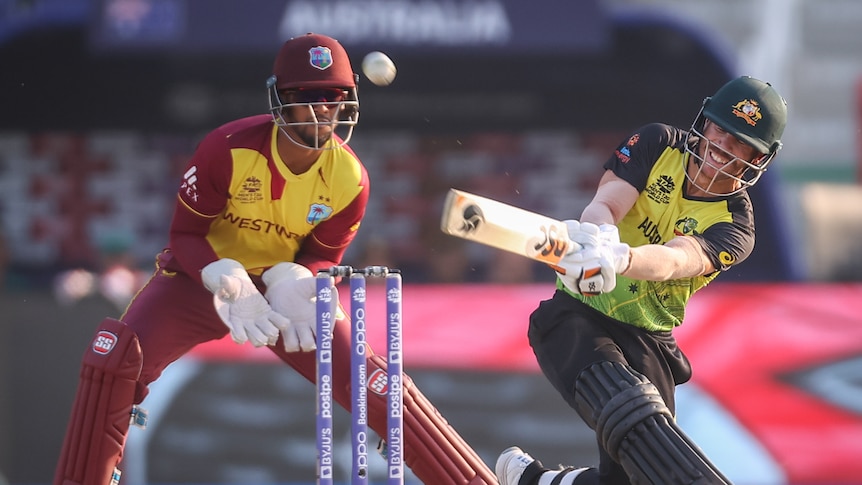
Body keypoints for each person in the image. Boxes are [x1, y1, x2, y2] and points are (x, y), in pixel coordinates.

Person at [54, 33, 496, 485]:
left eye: (336, 97)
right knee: (114, 360)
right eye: (309, 97)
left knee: (376, 386)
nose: (325, 109)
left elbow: (325, 256)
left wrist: (302, 278)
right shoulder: (227, 149)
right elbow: (185, 234)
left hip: (284, 297)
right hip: (201, 281)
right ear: (280, 100)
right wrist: (218, 274)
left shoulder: (350, 180)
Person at [495, 76, 787, 485]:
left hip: (649, 337)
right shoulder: (658, 142)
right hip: (578, 314)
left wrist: (622, 257)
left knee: (645, 473)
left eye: (742, 144)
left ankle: (536, 481)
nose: (723, 148)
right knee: (628, 405)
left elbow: (677, 258)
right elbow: (608, 200)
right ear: (705, 122)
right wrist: (596, 235)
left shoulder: (737, 224)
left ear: (759, 158)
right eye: (722, 130)